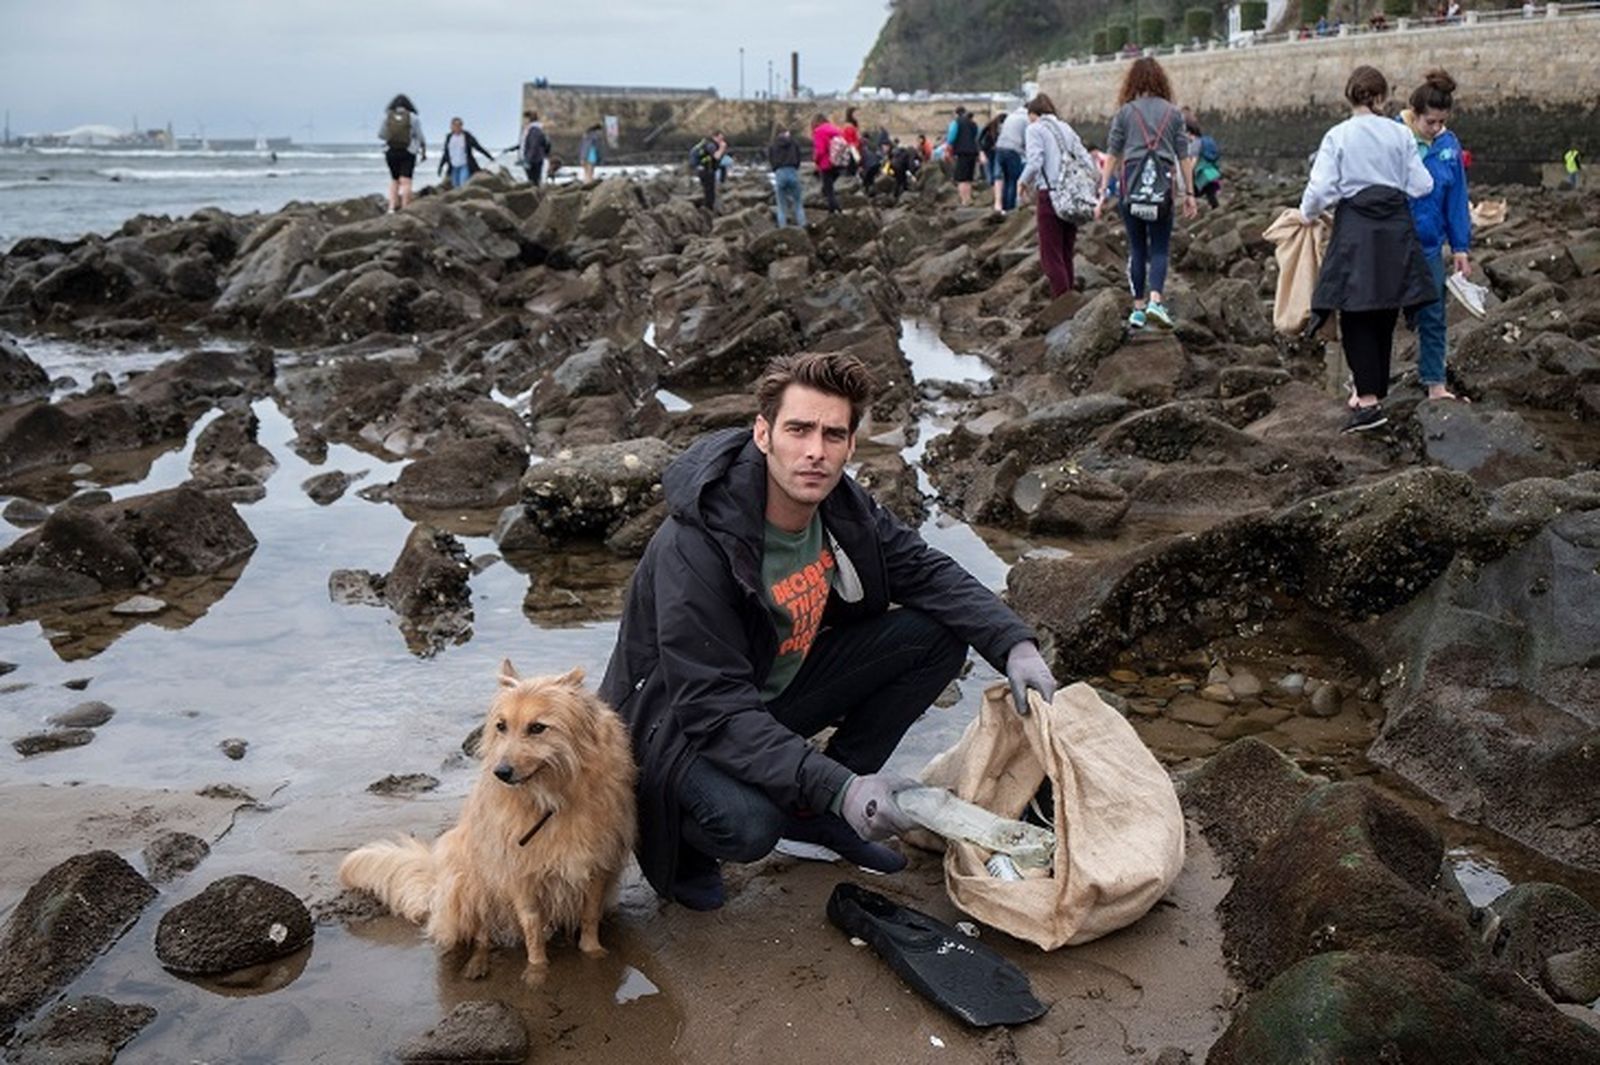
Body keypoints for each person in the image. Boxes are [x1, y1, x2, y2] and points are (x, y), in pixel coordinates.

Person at [598, 351, 1059, 911]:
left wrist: (1014, 644)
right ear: (763, 434)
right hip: (675, 728)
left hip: (769, 693)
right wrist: (840, 786)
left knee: (934, 636)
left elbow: (922, 569)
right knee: (748, 827)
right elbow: (713, 708)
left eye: (832, 434)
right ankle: (683, 839)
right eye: (798, 429)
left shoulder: (840, 505)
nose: (815, 451)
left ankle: (818, 811)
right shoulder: (696, 544)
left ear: (850, 445)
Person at [1298, 65, 1435, 433]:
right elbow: (1422, 185)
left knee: (1356, 310)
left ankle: (1369, 405)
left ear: (1353, 96)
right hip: (1394, 225)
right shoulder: (1399, 134)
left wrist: (1306, 215)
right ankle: (1368, 393)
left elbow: (1321, 188)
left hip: (1356, 225)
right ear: (1378, 97)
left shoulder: (1338, 135)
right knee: (1385, 309)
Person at [1095, 57, 1196, 330]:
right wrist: (1190, 193)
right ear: (1160, 80)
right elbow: (1183, 156)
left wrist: (1103, 191)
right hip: (1163, 193)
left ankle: (1137, 309)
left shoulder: (1125, 113)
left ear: (1133, 82)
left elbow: (1113, 154)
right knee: (1160, 248)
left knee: (1137, 249)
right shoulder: (1173, 113)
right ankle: (1155, 301)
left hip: (1131, 191)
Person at [1401, 70, 1473, 402]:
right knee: (1378, 314)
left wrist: (1460, 246)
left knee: (1434, 314)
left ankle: (1435, 383)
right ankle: (1365, 386)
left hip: (1430, 244)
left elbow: (1457, 197)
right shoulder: (1394, 137)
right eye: (1430, 122)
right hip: (1393, 243)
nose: (1436, 128)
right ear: (1414, 115)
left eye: (1441, 122)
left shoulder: (1449, 144)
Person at [1018, 94, 1092, 299]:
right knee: (1066, 252)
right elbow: (1087, 160)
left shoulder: (1034, 129)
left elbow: (1034, 162)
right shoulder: (1066, 128)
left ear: (1034, 114)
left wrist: (1022, 182)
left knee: (1050, 257)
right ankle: (1068, 298)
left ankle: (1062, 302)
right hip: (1071, 196)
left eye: (1029, 116)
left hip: (1049, 195)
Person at [378, 93, 425, 213]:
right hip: (408, 151)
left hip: (391, 151)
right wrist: (422, 148)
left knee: (394, 180)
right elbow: (419, 136)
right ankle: (405, 207)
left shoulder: (387, 117)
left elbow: (381, 135)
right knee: (406, 181)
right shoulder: (413, 117)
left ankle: (391, 207)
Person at [438, 117, 494, 190]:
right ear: (451, 126)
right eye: (455, 125)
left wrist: (489, 157)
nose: (458, 127)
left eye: (459, 125)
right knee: (455, 186)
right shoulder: (449, 137)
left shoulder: (467, 136)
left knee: (463, 184)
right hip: (453, 167)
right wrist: (440, 166)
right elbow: (446, 153)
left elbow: (478, 147)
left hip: (464, 165)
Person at [992, 105, 1029, 213]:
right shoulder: (1026, 119)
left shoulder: (1011, 116)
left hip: (1000, 148)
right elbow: (1028, 139)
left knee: (1005, 179)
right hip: (1013, 150)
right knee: (1013, 180)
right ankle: (1010, 208)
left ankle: (1002, 207)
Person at [769, 126, 806, 228]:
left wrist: (775, 170)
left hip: (779, 173)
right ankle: (803, 226)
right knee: (798, 204)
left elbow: (771, 160)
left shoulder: (773, 145)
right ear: (786, 132)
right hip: (792, 171)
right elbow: (799, 158)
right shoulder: (794, 143)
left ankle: (783, 229)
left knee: (781, 207)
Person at [1185, 110, 1223, 209]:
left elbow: (1194, 159)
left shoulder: (1194, 143)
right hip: (1210, 172)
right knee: (1209, 192)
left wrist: (1188, 172)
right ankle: (1214, 207)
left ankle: (1197, 208)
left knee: (1195, 191)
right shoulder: (1202, 140)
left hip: (1202, 173)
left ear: (1189, 132)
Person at [811, 113, 845, 213]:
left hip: (826, 164)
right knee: (829, 189)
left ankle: (834, 211)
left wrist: (815, 160)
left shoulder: (819, 131)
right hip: (838, 163)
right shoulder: (835, 129)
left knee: (828, 190)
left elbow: (820, 150)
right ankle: (836, 209)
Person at [947, 106, 981, 207]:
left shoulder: (956, 122)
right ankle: (969, 198)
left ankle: (964, 200)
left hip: (962, 152)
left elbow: (951, 137)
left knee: (961, 178)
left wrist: (949, 148)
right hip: (973, 152)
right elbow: (977, 136)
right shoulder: (974, 124)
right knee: (969, 178)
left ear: (956, 114)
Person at [690, 131, 726, 211]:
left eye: (722, 139)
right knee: (710, 193)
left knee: (708, 191)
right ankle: (708, 210)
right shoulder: (711, 145)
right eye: (720, 139)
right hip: (706, 171)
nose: (721, 141)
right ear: (714, 137)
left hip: (705, 169)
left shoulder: (707, 144)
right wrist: (722, 148)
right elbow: (716, 156)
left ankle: (707, 209)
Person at [519, 111, 551, 186]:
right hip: (537, 158)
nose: (523, 121)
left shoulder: (534, 130)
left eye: (524, 119)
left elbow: (534, 146)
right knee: (535, 180)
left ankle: (536, 195)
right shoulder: (537, 129)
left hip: (534, 160)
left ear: (528, 119)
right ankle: (536, 194)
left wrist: (527, 160)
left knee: (533, 181)